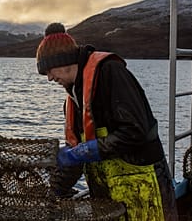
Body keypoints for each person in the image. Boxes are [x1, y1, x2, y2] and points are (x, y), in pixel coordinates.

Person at [36, 22, 178, 220]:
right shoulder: (71, 103)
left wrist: (86, 151)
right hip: (107, 198)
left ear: (65, 61)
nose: (50, 78)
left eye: (50, 71)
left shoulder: (111, 73)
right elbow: (74, 157)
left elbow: (135, 131)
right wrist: (54, 192)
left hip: (145, 185)